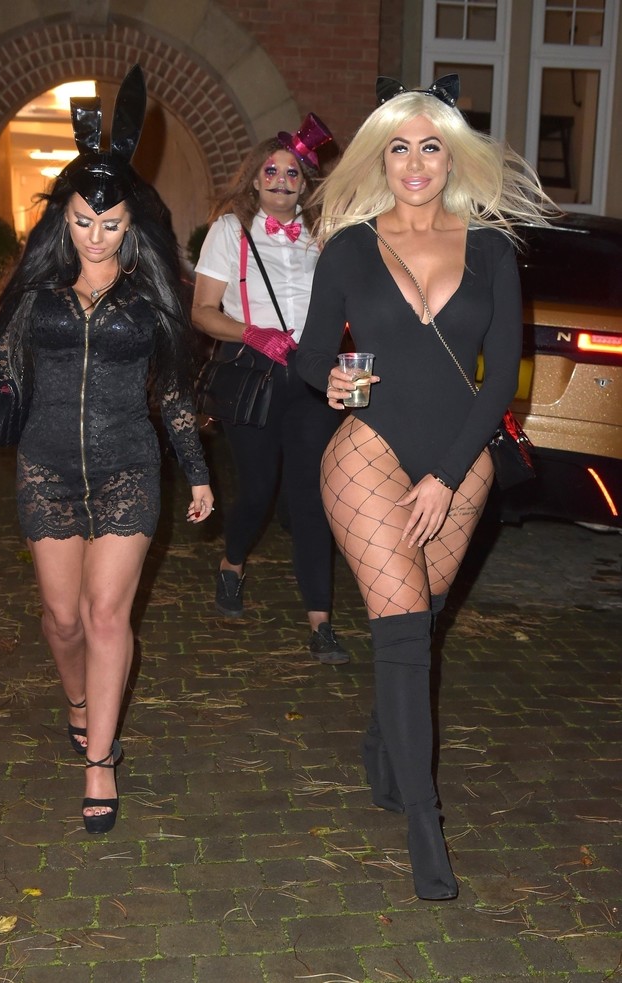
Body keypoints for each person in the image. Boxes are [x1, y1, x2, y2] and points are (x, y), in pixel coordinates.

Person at [0, 66, 214, 835]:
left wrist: (198, 473)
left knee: (106, 614)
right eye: (83, 221)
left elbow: (174, 396)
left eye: (110, 225)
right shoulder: (35, 298)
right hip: (46, 470)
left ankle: (101, 760)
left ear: (132, 226)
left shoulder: (151, 303)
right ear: (65, 219)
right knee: (63, 620)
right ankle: (78, 699)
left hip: (128, 470)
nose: (96, 236)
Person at [297, 75, 555, 898]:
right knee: (403, 629)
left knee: (421, 618)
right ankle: (423, 825)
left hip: (460, 455)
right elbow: (311, 352)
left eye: (431, 147)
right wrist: (330, 379)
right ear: (380, 158)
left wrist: (447, 474)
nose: (414, 163)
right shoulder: (349, 247)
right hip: (367, 451)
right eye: (399, 147)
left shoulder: (491, 250)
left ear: (453, 157)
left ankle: (384, 746)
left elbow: (501, 378)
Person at [192, 114, 349, 664]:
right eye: (272, 171)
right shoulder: (230, 230)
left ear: (305, 184)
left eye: (293, 173)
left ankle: (320, 622)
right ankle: (231, 563)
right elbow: (202, 311)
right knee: (258, 489)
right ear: (255, 179)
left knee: (310, 497)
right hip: (253, 372)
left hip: (311, 376)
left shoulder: (325, 236)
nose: (282, 181)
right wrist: (251, 332)